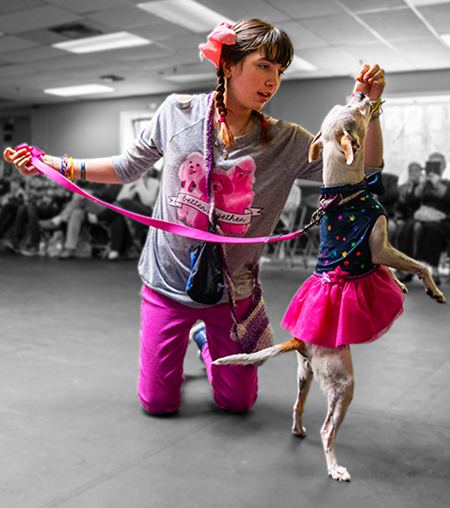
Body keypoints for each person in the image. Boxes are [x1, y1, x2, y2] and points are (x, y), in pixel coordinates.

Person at [3, 19, 385, 415]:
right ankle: (188, 340)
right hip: (166, 282)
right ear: (229, 65)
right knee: (157, 404)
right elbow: (126, 167)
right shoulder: (177, 112)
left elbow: (365, 173)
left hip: (233, 293)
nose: (272, 81)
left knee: (237, 403)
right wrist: (52, 164)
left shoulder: (287, 141)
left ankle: (203, 340)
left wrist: (369, 108)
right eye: (263, 66)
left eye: (280, 71)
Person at [413, 153, 450, 284]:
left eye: (438, 164)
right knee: (419, 227)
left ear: (444, 166)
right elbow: (415, 197)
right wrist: (421, 184)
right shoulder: (425, 183)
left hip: (445, 218)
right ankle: (431, 270)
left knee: (434, 228)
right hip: (425, 217)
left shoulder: (446, 183)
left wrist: (437, 184)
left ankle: (434, 269)